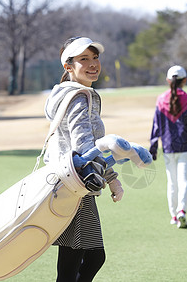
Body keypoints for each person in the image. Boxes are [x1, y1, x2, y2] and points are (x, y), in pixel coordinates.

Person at [44, 36, 124, 281]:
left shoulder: (63, 94)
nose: (93, 64)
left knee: (73, 260)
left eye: (95, 57)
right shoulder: (79, 96)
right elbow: (85, 145)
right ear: (68, 66)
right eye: (84, 59)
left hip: (66, 182)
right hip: (76, 184)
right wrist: (112, 178)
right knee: (88, 258)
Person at [149, 65, 187, 229]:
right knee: (184, 181)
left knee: (172, 183)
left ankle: (174, 216)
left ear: (168, 80)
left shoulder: (160, 100)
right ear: (185, 80)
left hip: (168, 147)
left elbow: (156, 127)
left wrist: (153, 148)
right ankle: (182, 211)